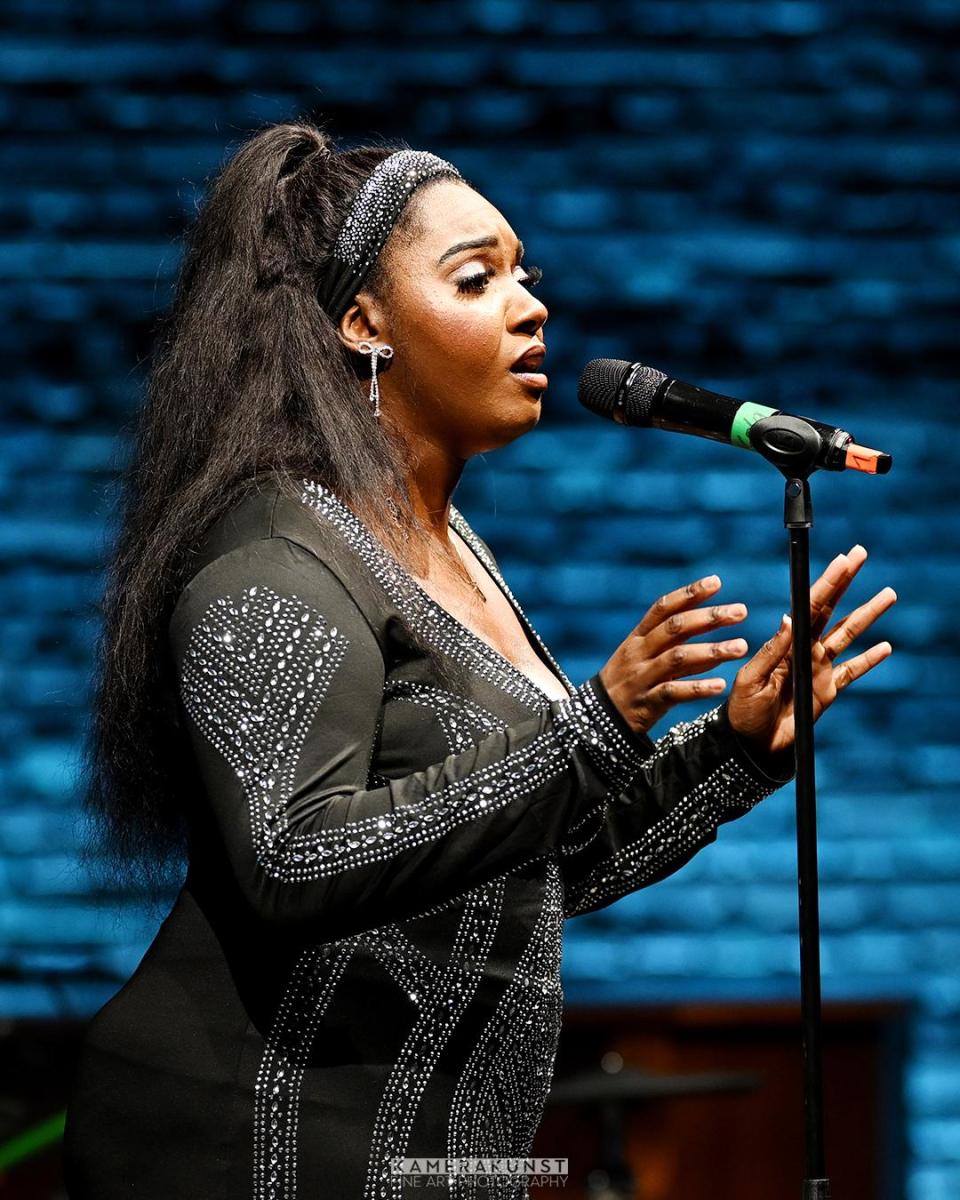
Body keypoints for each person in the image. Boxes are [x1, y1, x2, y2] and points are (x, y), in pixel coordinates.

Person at [62, 121, 896, 1199]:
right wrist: (589, 733)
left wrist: (730, 753)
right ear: (363, 324)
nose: (532, 306)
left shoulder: (453, 549)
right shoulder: (276, 555)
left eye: (524, 274)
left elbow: (540, 870)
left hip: (434, 1161)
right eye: (476, 279)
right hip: (254, 1142)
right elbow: (290, 862)